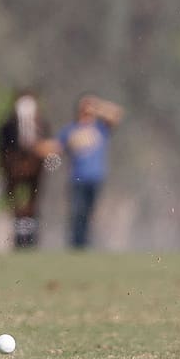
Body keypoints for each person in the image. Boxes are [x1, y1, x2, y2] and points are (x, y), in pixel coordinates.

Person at [55, 94, 123, 249]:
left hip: (96, 178)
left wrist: (97, 106)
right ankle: (76, 244)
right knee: (77, 212)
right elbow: (56, 148)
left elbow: (117, 113)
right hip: (77, 178)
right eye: (85, 107)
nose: (87, 111)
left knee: (89, 213)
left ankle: (84, 244)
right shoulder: (70, 129)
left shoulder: (101, 128)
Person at [0, 90, 52, 249]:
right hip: (13, 169)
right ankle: (19, 237)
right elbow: (2, 151)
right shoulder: (7, 128)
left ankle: (31, 237)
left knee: (32, 203)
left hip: (35, 169)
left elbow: (48, 148)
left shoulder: (42, 126)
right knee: (15, 202)